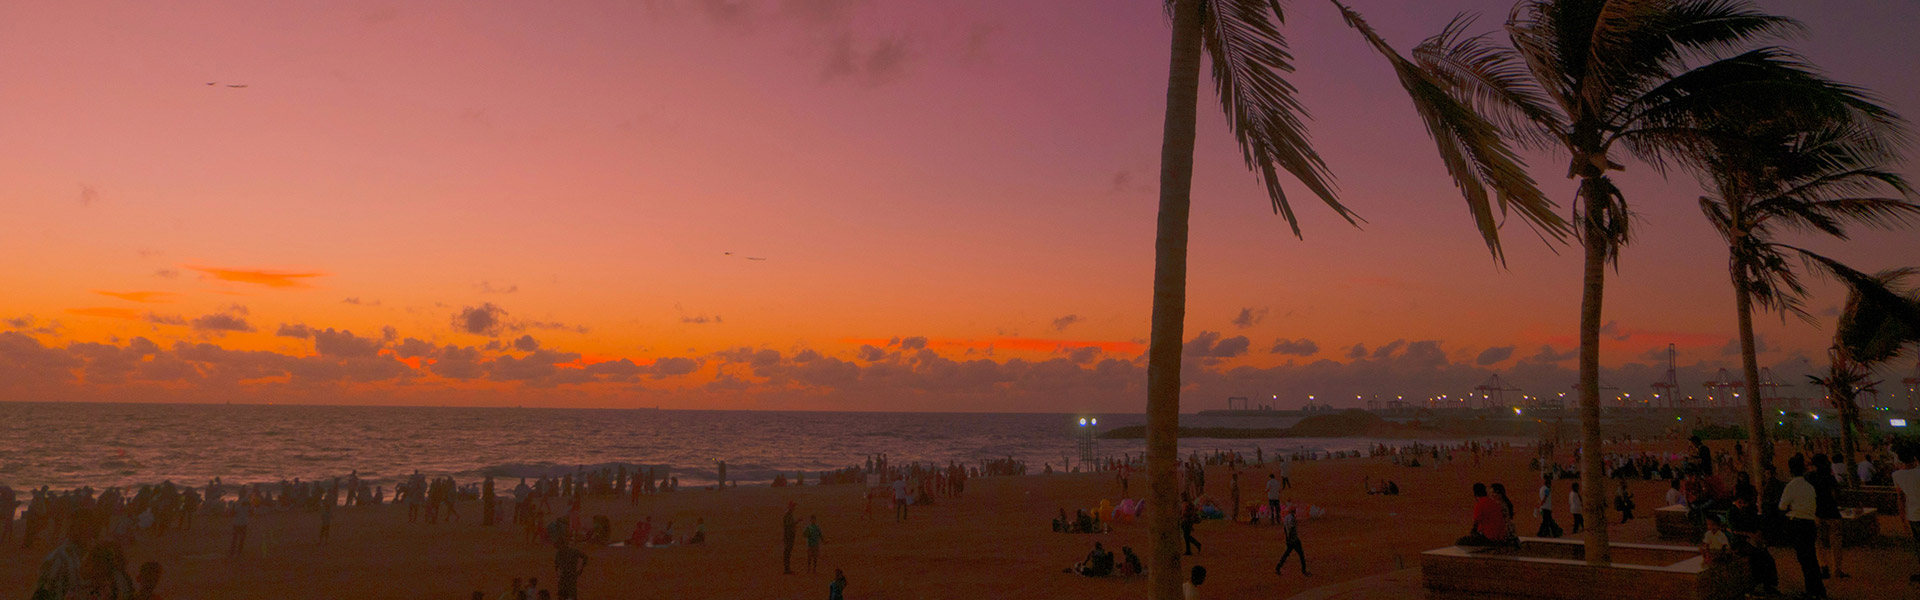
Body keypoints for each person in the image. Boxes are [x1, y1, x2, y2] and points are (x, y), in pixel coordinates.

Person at [1779, 455, 1826, 599]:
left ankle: (1812, 591)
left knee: (1805, 559)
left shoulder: (1791, 486)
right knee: (1811, 557)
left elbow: (1782, 506)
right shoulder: (1809, 487)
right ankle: (1818, 590)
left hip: (1798, 524)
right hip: (1809, 523)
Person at [1809, 454, 1844, 579]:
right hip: (1832, 512)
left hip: (1817, 512)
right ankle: (1837, 569)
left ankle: (1823, 565)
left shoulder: (1811, 478)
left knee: (1819, 541)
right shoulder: (1830, 478)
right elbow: (1836, 495)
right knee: (1836, 542)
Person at [1892, 446, 1920, 583]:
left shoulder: (1897, 476)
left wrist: (1903, 520)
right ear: (1914, 458)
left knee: (1918, 544)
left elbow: (1900, 498)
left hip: (1914, 515)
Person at [1273, 502, 1309, 576]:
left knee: (1286, 554)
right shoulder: (1292, 518)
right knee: (1301, 555)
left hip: (1289, 539)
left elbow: (1285, 529)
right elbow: (1292, 528)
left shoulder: (1286, 518)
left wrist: (1287, 538)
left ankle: (1278, 567)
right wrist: (1292, 538)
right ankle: (1304, 570)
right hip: (1294, 540)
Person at [782, 502, 799, 574]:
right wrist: (797, 521)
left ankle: (787, 568)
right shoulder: (787, 515)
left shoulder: (789, 515)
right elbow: (789, 525)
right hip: (788, 536)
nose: (794, 508)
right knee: (787, 553)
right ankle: (786, 569)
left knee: (788, 553)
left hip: (790, 536)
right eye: (793, 506)